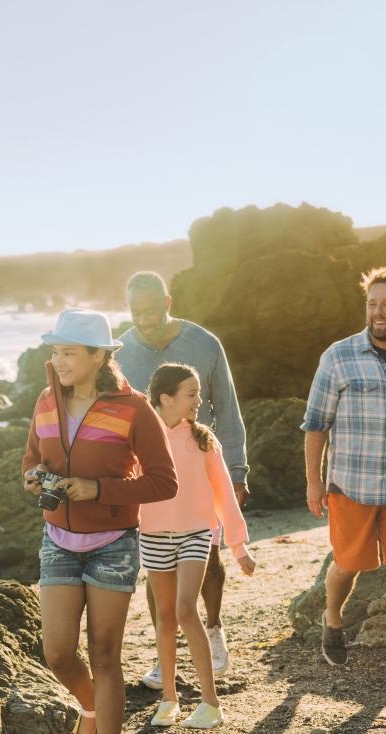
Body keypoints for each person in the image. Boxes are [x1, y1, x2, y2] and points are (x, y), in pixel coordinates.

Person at [22, 308, 178, 734]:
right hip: (58, 542)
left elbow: (163, 481)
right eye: (55, 351)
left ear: (97, 356)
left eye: (68, 352)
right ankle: (93, 710)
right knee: (57, 653)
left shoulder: (133, 409)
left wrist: (98, 490)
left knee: (106, 655)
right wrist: (31, 478)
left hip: (113, 543)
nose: (58, 360)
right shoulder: (46, 401)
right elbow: (30, 458)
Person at [301, 266, 386, 684]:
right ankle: (333, 618)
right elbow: (315, 423)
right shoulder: (338, 356)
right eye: (372, 304)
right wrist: (314, 480)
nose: (378, 312)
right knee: (347, 565)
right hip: (351, 485)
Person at [114, 271, 249, 687]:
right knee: (158, 566)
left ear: (167, 302)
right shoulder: (120, 352)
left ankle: (212, 628)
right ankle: (164, 652)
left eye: (150, 310)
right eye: (135, 311)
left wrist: (238, 471)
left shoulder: (204, 344)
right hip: (151, 475)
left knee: (208, 557)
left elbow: (226, 407)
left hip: (199, 464)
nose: (144, 319)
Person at [140, 363, 256, 730]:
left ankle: (210, 703)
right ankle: (169, 699)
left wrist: (238, 547)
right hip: (153, 535)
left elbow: (224, 494)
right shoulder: (141, 437)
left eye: (199, 395)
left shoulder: (204, 439)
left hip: (196, 534)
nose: (198, 401)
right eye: (191, 395)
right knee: (164, 617)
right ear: (166, 398)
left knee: (186, 609)